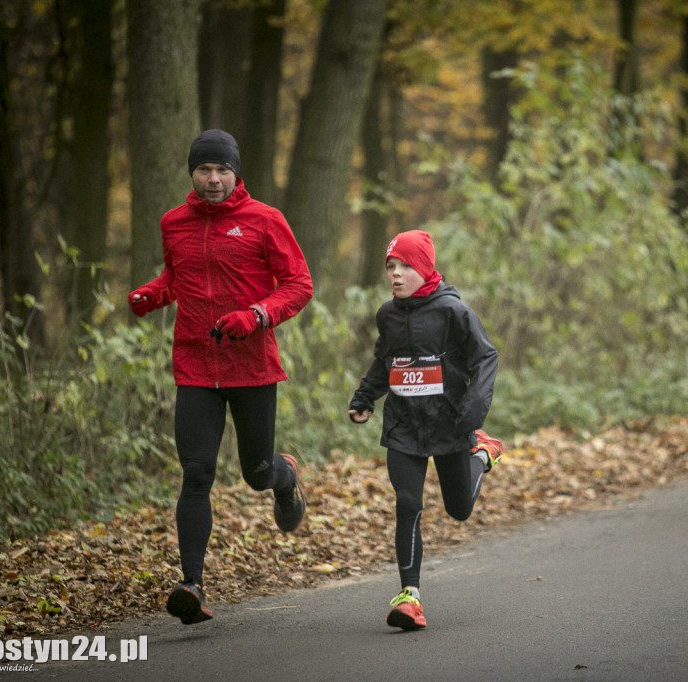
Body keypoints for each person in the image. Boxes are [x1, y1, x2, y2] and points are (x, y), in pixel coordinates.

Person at [128, 129, 314, 624]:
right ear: (192, 172)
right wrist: (153, 293)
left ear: (236, 173)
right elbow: (177, 277)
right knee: (196, 474)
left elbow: (299, 284)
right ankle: (192, 584)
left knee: (255, 474)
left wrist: (256, 315)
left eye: (222, 171)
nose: (214, 180)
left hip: (251, 366)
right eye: (205, 170)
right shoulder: (174, 223)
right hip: (194, 365)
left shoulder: (264, 220)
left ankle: (285, 474)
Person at [348, 229, 503, 630]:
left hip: (450, 424)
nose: (396, 275)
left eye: (405, 266)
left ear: (425, 268)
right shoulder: (388, 314)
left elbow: (486, 357)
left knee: (459, 510)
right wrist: (365, 398)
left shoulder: (453, 311)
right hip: (403, 427)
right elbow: (386, 361)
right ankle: (409, 596)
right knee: (408, 504)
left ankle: (483, 454)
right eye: (391, 267)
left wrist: (473, 409)